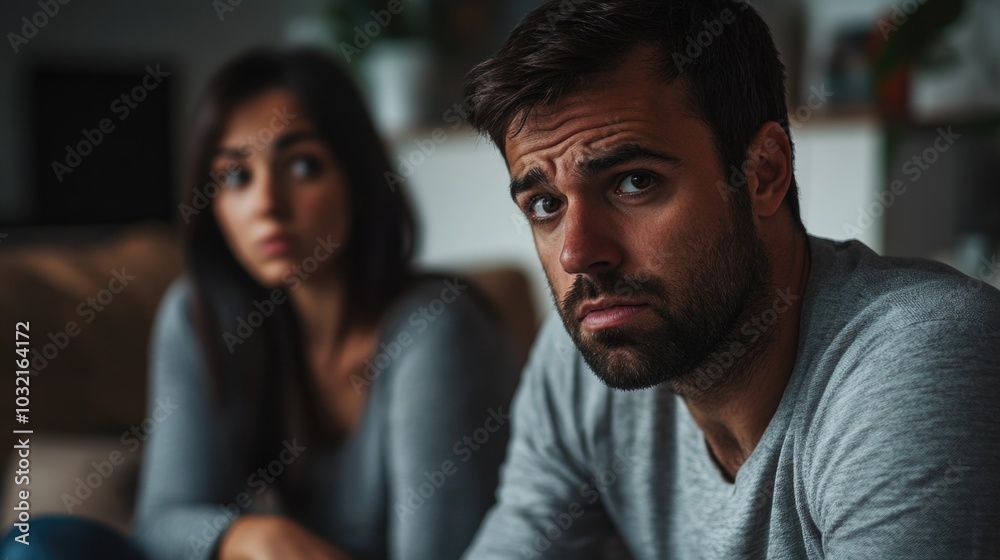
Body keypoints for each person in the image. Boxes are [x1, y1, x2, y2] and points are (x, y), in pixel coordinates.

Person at [459, 1, 1000, 558]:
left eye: (634, 182)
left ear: (763, 172)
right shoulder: (583, 354)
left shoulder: (921, 357)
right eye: (545, 204)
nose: (577, 254)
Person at [124, 47, 519, 560]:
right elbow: (160, 524)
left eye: (303, 165)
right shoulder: (199, 318)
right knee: (44, 543)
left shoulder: (436, 329)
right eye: (236, 176)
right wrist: (261, 537)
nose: (267, 204)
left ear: (357, 178)